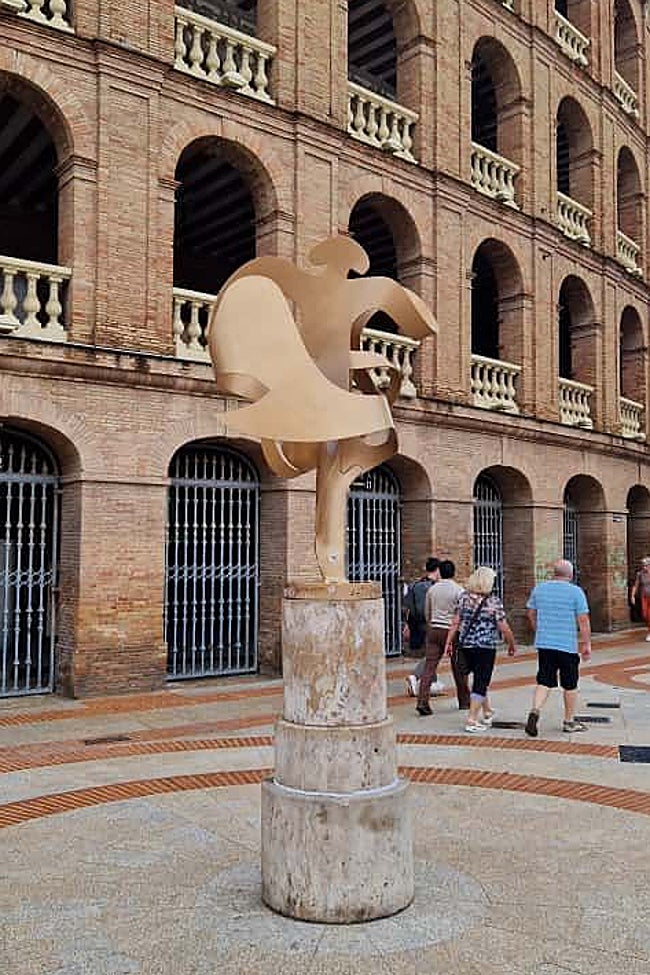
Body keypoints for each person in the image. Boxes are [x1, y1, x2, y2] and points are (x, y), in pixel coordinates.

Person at [444, 566, 516, 733]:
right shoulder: (493, 602)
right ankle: (471, 719)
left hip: (466, 645)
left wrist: (448, 643)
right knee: (481, 681)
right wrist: (511, 643)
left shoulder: (463, 598)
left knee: (478, 679)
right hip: (485, 647)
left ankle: (487, 711)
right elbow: (503, 626)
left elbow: (455, 622)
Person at [524, 558, 591, 736]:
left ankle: (535, 710)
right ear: (571, 574)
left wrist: (538, 629)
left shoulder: (540, 589)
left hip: (545, 643)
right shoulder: (576, 592)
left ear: (554, 573)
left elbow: (531, 613)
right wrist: (586, 644)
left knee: (544, 680)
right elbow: (583, 620)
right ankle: (569, 721)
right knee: (570, 684)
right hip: (567, 645)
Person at [415, 560, 463, 715]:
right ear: (454, 572)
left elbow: (427, 611)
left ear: (440, 572)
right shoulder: (459, 590)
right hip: (451, 630)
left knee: (429, 667)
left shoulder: (432, 589)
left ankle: (422, 701)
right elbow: (460, 614)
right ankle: (464, 700)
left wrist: (431, 625)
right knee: (458, 667)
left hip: (434, 629)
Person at [403, 558, 440, 659]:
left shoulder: (414, 585)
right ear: (437, 569)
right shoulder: (436, 587)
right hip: (431, 625)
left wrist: (407, 624)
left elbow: (408, 607)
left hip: (415, 624)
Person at [630, 557, 650, 641]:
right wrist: (632, 596)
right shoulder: (640, 574)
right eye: (643, 565)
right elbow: (636, 585)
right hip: (644, 596)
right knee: (645, 614)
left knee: (649, 615)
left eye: (646, 565)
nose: (644, 567)